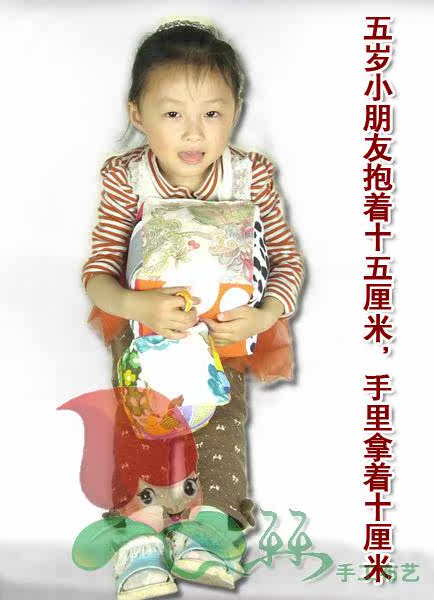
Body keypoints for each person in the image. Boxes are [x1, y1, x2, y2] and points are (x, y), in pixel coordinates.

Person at [81, 18, 305, 599]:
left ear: (235, 112)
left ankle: (206, 535)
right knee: (142, 431)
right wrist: (136, 304)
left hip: (222, 335)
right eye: (172, 113)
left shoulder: (249, 176)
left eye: (212, 112)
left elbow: (288, 261)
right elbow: (97, 274)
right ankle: (139, 541)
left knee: (221, 430)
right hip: (147, 335)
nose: (194, 132)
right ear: (138, 114)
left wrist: (263, 316)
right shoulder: (127, 179)